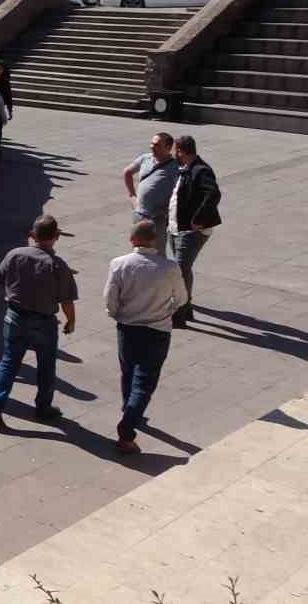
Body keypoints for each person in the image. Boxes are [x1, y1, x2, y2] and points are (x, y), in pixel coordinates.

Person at [0, 216, 79, 430]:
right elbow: (67, 300)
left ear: (32, 235)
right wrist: (71, 321)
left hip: (15, 316)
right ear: (56, 237)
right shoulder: (57, 265)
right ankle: (43, 407)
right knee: (46, 365)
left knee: (9, 362)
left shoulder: (15, 254)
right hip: (43, 321)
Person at [104, 220, 188, 455]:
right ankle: (126, 430)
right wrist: (167, 311)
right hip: (158, 330)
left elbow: (110, 298)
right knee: (145, 383)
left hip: (127, 328)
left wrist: (117, 314)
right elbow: (181, 298)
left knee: (128, 373)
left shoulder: (118, 264)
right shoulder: (169, 267)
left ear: (132, 240)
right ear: (154, 240)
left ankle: (128, 410)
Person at [170, 135, 221, 328]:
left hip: (191, 231)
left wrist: (198, 219)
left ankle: (178, 315)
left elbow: (214, 194)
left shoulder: (201, 170)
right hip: (175, 227)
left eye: (177, 150)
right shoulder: (184, 168)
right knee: (183, 269)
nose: (175, 154)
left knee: (179, 271)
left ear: (181, 151)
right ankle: (187, 307)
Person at [122, 132, 178, 256]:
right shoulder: (145, 158)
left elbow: (180, 189)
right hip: (139, 214)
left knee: (157, 250)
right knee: (137, 247)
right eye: (152, 144)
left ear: (168, 148)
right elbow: (127, 172)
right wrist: (132, 195)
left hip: (157, 217)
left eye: (157, 145)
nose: (152, 147)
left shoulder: (174, 166)